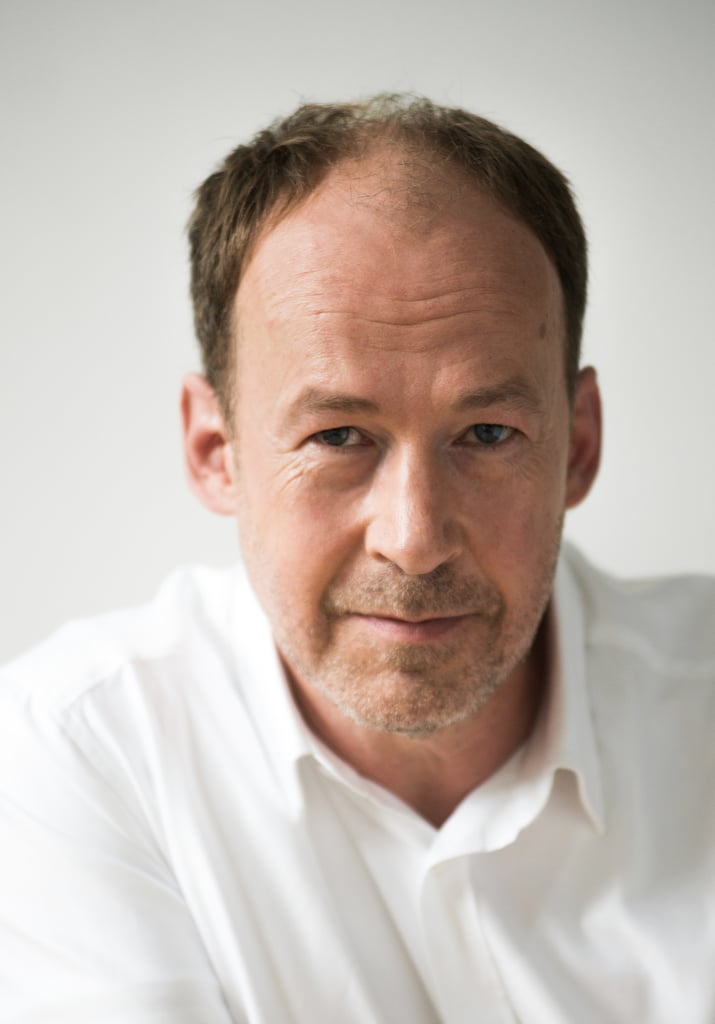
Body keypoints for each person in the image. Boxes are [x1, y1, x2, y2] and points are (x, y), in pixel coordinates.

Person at [1, 95, 713, 1023]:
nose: (414, 537)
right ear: (216, 450)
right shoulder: (78, 756)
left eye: (487, 432)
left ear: (577, 447)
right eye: (339, 435)